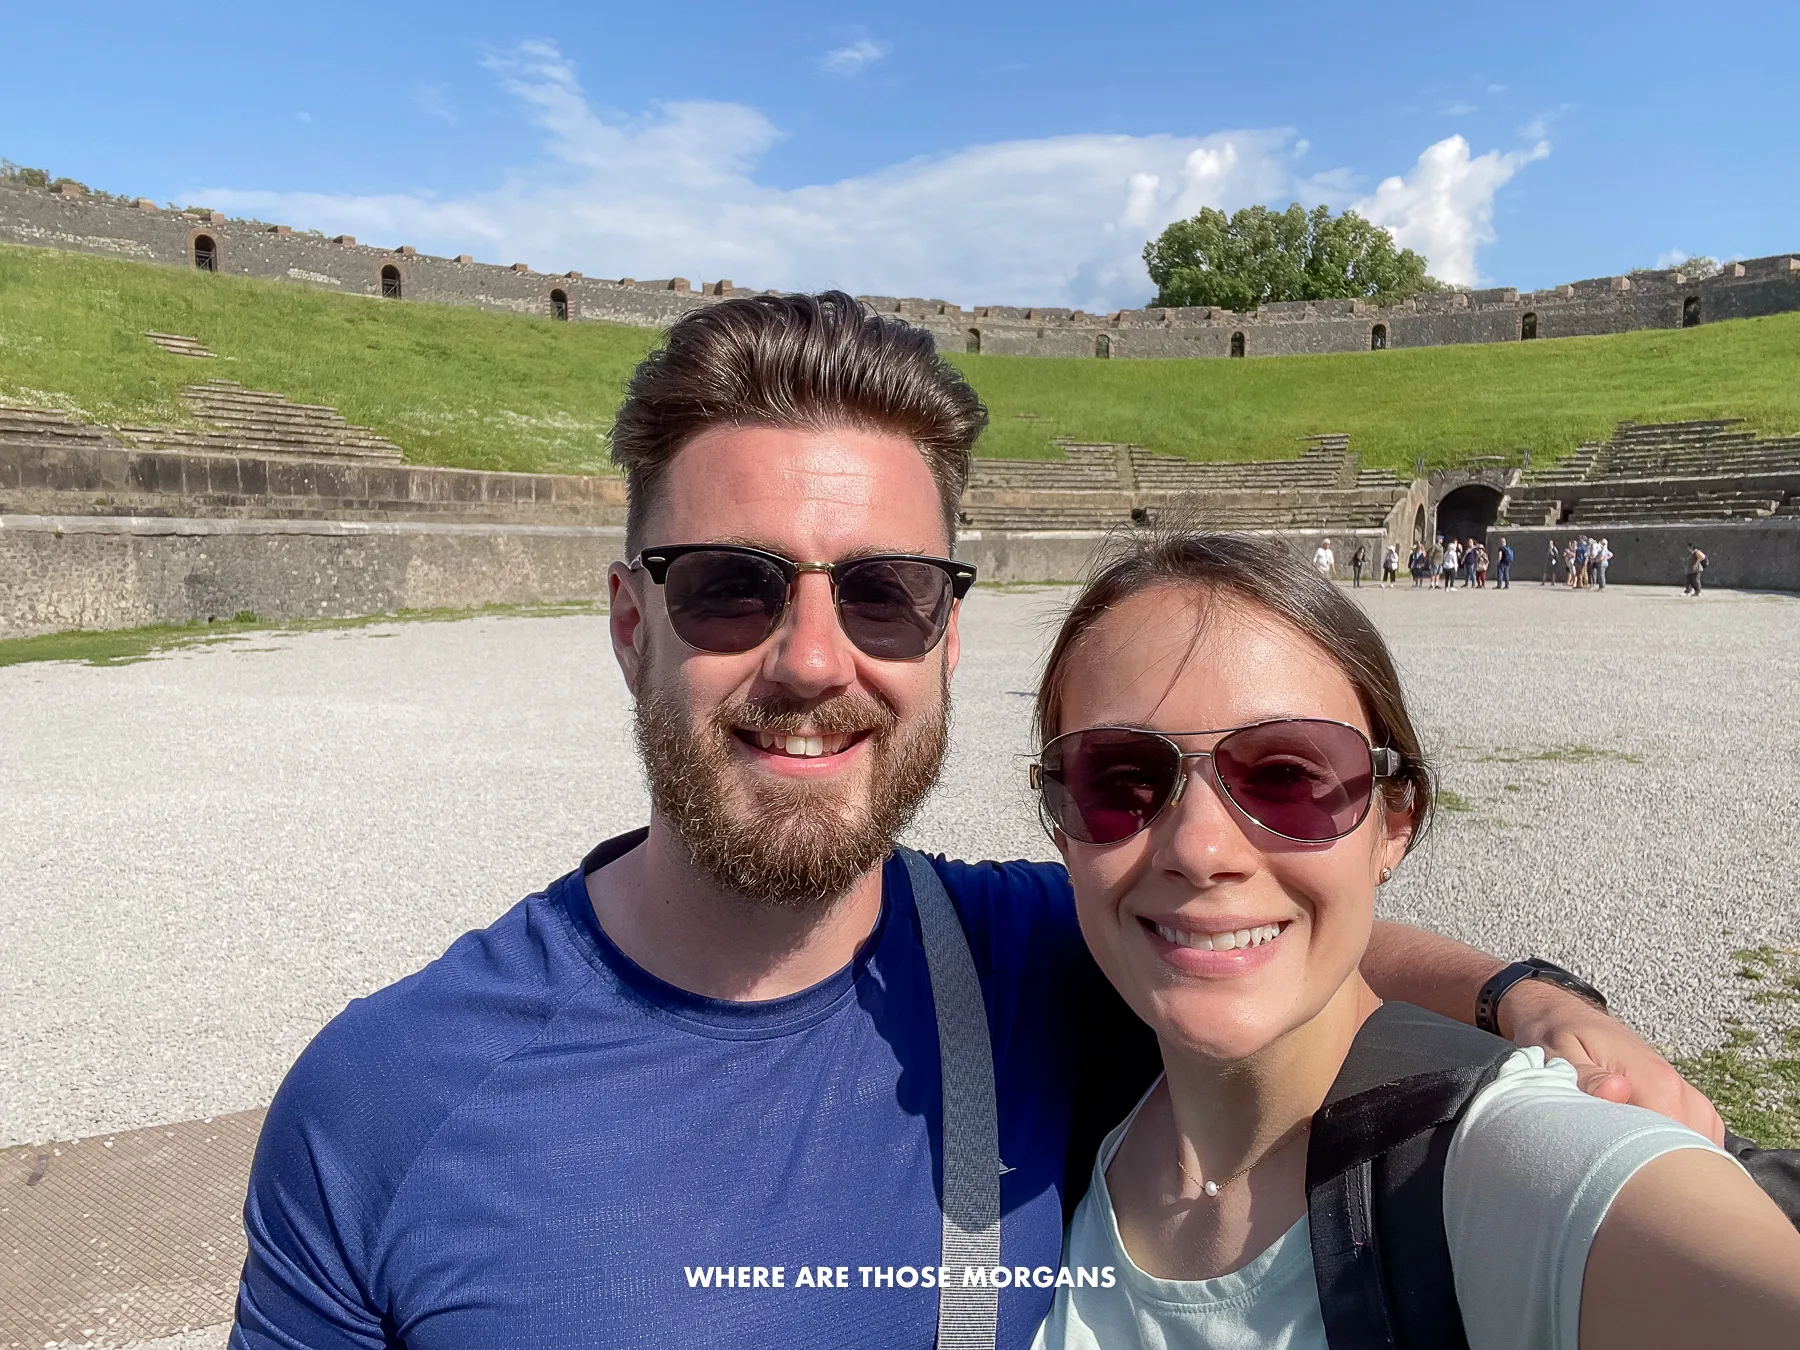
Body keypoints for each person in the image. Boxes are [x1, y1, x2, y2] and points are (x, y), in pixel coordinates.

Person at [229, 292, 1723, 1350]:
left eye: (882, 592)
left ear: (946, 640)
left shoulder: (1038, 953)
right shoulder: (384, 1100)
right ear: (633, 624)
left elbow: (1279, 923)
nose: (814, 659)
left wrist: (1533, 1000)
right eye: (732, 586)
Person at [1026, 532, 1800, 1350]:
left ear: (1395, 823)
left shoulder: (1504, 1167)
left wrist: (1523, 994)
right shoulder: (1055, 1086)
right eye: (1119, 781)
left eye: (1288, 776)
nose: (1200, 850)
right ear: (1061, 828)